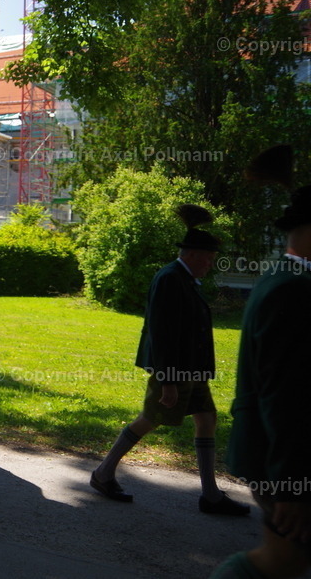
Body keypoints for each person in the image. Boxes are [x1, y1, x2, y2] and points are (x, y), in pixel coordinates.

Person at [90, 207, 249, 516]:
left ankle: (211, 495)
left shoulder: (184, 279)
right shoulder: (170, 279)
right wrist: (168, 381)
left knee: (207, 419)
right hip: (175, 371)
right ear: (191, 254)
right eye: (207, 259)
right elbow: (162, 334)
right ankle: (103, 473)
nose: (210, 265)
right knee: (150, 418)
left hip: (192, 371)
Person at [211, 187, 311, 579]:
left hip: (282, 462)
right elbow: (285, 396)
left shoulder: (287, 279)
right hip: (285, 464)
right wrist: (291, 485)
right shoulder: (293, 288)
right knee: (280, 561)